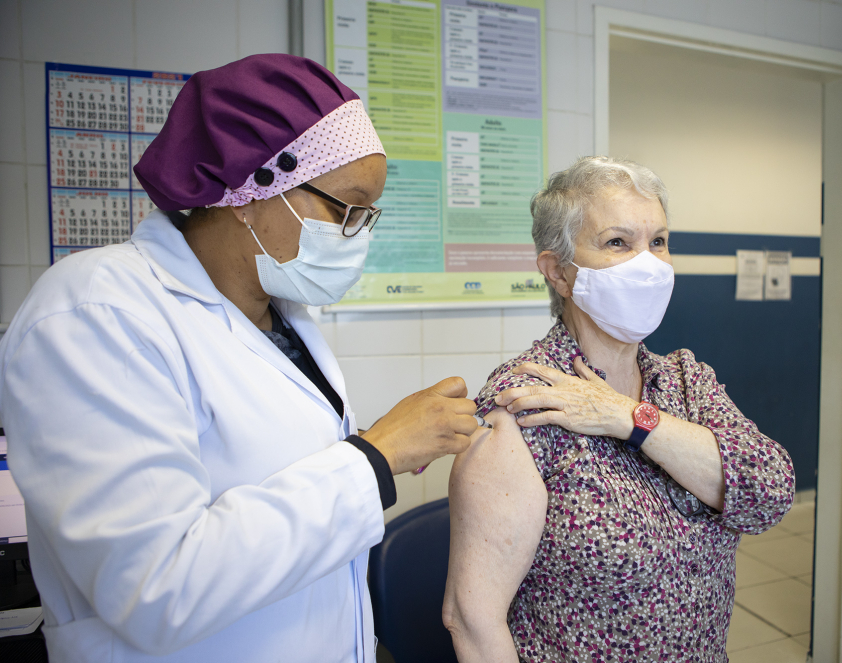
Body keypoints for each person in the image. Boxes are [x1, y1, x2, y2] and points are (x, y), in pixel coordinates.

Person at [0, 54, 478, 663]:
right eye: (344, 209)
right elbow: (157, 588)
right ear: (251, 190)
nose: (357, 236)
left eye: (368, 215)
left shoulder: (281, 314)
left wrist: (369, 450)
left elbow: (259, 470)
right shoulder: (97, 311)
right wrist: (375, 458)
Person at [443, 157, 795, 661]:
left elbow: (769, 495)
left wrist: (628, 418)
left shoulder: (685, 381)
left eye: (658, 242)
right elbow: (472, 619)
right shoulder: (526, 403)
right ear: (558, 273)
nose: (648, 264)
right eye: (617, 242)